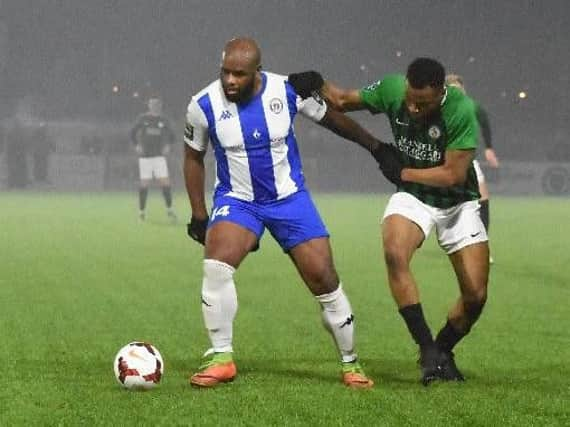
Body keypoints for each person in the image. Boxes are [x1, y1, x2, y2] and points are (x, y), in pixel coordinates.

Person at [183, 37, 382, 389]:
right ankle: (221, 357)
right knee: (216, 265)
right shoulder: (202, 105)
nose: (230, 80)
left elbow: (333, 119)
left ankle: (351, 363)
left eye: (239, 74)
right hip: (238, 200)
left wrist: (376, 147)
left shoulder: (286, 91)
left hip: (289, 200)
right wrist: (200, 214)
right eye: (225, 72)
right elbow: (192, 157)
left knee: (324, 278)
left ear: (256, 72)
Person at [290, 58, 490, 385]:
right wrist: (318, 82)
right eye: (410, 98)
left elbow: (453, 174)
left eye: (421, 103)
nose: (411, 107)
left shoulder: (460, 110)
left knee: (476, 297)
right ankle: (426, 348)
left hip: (457, 203)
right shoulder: (393, 89)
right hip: (413, 196)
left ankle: (443, 349)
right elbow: (341, 100)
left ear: (440, 93)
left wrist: (402, 171)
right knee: (395, 252)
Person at [445, 74, 499, 263]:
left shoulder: (469, 106)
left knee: (482, 199)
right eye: (452, 89)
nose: (457, 92)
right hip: (449, 162)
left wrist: (489, 148)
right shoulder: (442, 109)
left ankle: (481, 245)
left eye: (459, 89)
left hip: (468, 161)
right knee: (456, 205)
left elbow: (483, 118)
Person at [130, 97, 177, 222]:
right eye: (152, 104)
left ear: (160, 105)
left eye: (156, 104)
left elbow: (173, 136)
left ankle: (170, 210)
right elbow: (132, 133)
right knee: (144, 184)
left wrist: (168, 146)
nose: (154, 106)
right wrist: (137, 145)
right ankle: (141, 213)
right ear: (148, 105)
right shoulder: (143, 118)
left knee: (165, 183)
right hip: (145, 157)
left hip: (159, 157)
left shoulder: (163, 120)